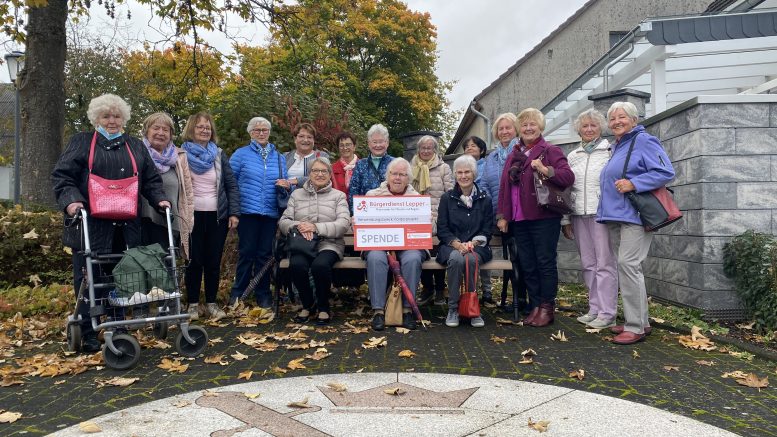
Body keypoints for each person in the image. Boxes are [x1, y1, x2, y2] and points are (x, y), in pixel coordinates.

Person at [52, 93, 170, 353]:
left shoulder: (135, 146)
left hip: (126, 225)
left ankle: (118, 326)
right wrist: (72, 201)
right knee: (88, 277)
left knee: (123, 277)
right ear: (97, 118)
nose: (112, 120)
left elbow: (150, 179)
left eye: (117, 115)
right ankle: (88, 330)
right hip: (91, 224)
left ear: (124, 118)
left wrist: (160, 200)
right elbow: (62, 176)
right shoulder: (83, 142)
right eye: (106, 115)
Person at [597, 101, 675, 345]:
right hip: (621, 215)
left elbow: (666, 171)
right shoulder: (618, 146)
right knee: (630, 267)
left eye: (622, 117)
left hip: (636, 215)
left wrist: (634, 183)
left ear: (634, 120)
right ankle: (640, 321)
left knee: (628, 264)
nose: (617, 122)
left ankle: (635, 326)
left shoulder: (643, 141)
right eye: (612, 118)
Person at [496, 108, 574, 327]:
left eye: (533, 124)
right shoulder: (515, 153)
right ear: (519, 129)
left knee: (544, 262)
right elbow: (504, 187)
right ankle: (535, 305)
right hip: (520, 219)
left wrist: (545, 169)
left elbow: (567, 176)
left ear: (540, 127)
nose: (528, 128)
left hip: (543, 217)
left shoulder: (550, 150)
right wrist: (503, 215)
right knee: (528, 264)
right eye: (525, 125)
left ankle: (547, 307)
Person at [561, 109, 618, 329]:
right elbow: (566, 188)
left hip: (601, 214)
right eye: (585, 126)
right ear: (579, 129)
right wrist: (565, 220)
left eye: (593, 125)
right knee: (588, 264)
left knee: (605, 263)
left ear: (601, 127)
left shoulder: (609, 151)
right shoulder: (573, 156)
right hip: (578, 213)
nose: (589, 129)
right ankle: (594, 308)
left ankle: (607, 312)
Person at [181, 112, 240, 321]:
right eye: (200, 127)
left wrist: (234, 212)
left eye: (207, 127)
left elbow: (230, 185)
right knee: (193, 261)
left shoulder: (219, 154)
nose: (205, 130)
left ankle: (213, 303)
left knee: (213, 261)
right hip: (191, 216)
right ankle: (194, 304)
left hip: (218, 216)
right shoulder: (180, 154)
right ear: (191, 130)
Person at [278, 157, 350, 325]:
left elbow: (343, 223)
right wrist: (301, 226)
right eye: (315, 171)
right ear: (309, 174)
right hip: (303, 243)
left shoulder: (338, 196)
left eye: (324, 171)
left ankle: (324, 307)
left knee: (320, 266)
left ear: (329, 174)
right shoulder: (296, 194)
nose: (319, 174)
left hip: (329, 243)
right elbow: (284, 221)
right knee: (297, 265)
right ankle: (308, 304)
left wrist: (316, 228)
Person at [229, 117, 288, 310]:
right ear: (250, 133)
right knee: (247, 253)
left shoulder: (279, 158)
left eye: (265, 130)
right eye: (257, 130)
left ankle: (263, 295)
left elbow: (285, 182)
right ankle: (238, 295)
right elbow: (230, 184)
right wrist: (234, 211)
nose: (261, 133)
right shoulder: (240, 155)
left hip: (270, 213)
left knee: (264, 255)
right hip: (247, 212)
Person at [364, 158, 426, 331]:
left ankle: (407, 310)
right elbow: (363, 226)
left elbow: (429, 227)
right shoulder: (372, 196)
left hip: (409, 245)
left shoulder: (417, 199)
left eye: (402, 174)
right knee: (375, 257)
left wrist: (427, 220)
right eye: (394, 173)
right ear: (388, 175)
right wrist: (359, 221)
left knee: (413, 258)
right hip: (380, 244)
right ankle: (378, 311)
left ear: (409, 178)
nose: (397, 178)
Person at [436, 155, 493, 328]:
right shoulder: (447, 198)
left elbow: (487, 229)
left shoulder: (485, 199)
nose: (463, 176)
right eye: (459, 172)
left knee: (469, 258)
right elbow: (442, 229)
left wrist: (473, 243)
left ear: (474, 174)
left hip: (477, 247)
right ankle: (453, 308)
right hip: (450, 246)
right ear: (455, 175)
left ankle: (473, 309)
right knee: (456, 258)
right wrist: (456, 244)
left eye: (467, 172)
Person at [478, 113, 520, 306]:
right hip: (499, 216)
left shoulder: (521, 151)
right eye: (500, 129)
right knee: (510, 257)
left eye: (508, 128)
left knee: (522, 259)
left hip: (520, 215)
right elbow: (485, 184)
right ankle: (510, 299)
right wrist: (496, 214)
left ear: (515, 129)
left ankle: (523, 300)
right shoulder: (492, 157)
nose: (504, 132)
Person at [139, 112, 194, 260]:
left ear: (171, 134)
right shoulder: (137, 152)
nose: (160, 133)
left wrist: (188, 220)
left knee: (167, 269)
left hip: (170, 222)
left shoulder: (179, 157)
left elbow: (187, 191)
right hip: (142, 221)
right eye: (156, 128)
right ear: (146, 130)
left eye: (166, 129)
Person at [411, 135, 453, 306]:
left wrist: (440, 216)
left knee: (437, 253)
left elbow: (450, 193)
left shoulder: (444, 168)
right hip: (416, 218)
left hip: (438, 217)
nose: (426, 150)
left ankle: (440, 289)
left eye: (430, 147)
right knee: (422, 252)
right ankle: (427, 288)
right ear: (418, 150)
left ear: (435, 150)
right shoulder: (411, 167)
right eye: (423, 147)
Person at [348, 124, 394, 212]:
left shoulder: (395, 163)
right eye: (374, 142)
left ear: (387, 143)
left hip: (390, 212)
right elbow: (353, 193)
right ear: (369, 144)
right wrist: (355, 214)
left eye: (381, 141)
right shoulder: (360, 165)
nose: (378, 145)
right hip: (366, 214)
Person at [281, 123, 329, 192]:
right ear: (295, 139)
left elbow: (322, 177)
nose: (305, 140)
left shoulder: (321, 156)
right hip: (286, 199)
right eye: (301, 136)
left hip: (311, 199)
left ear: (313, 140)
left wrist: (296, 181)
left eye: (309, 137)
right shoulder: (285, 156)